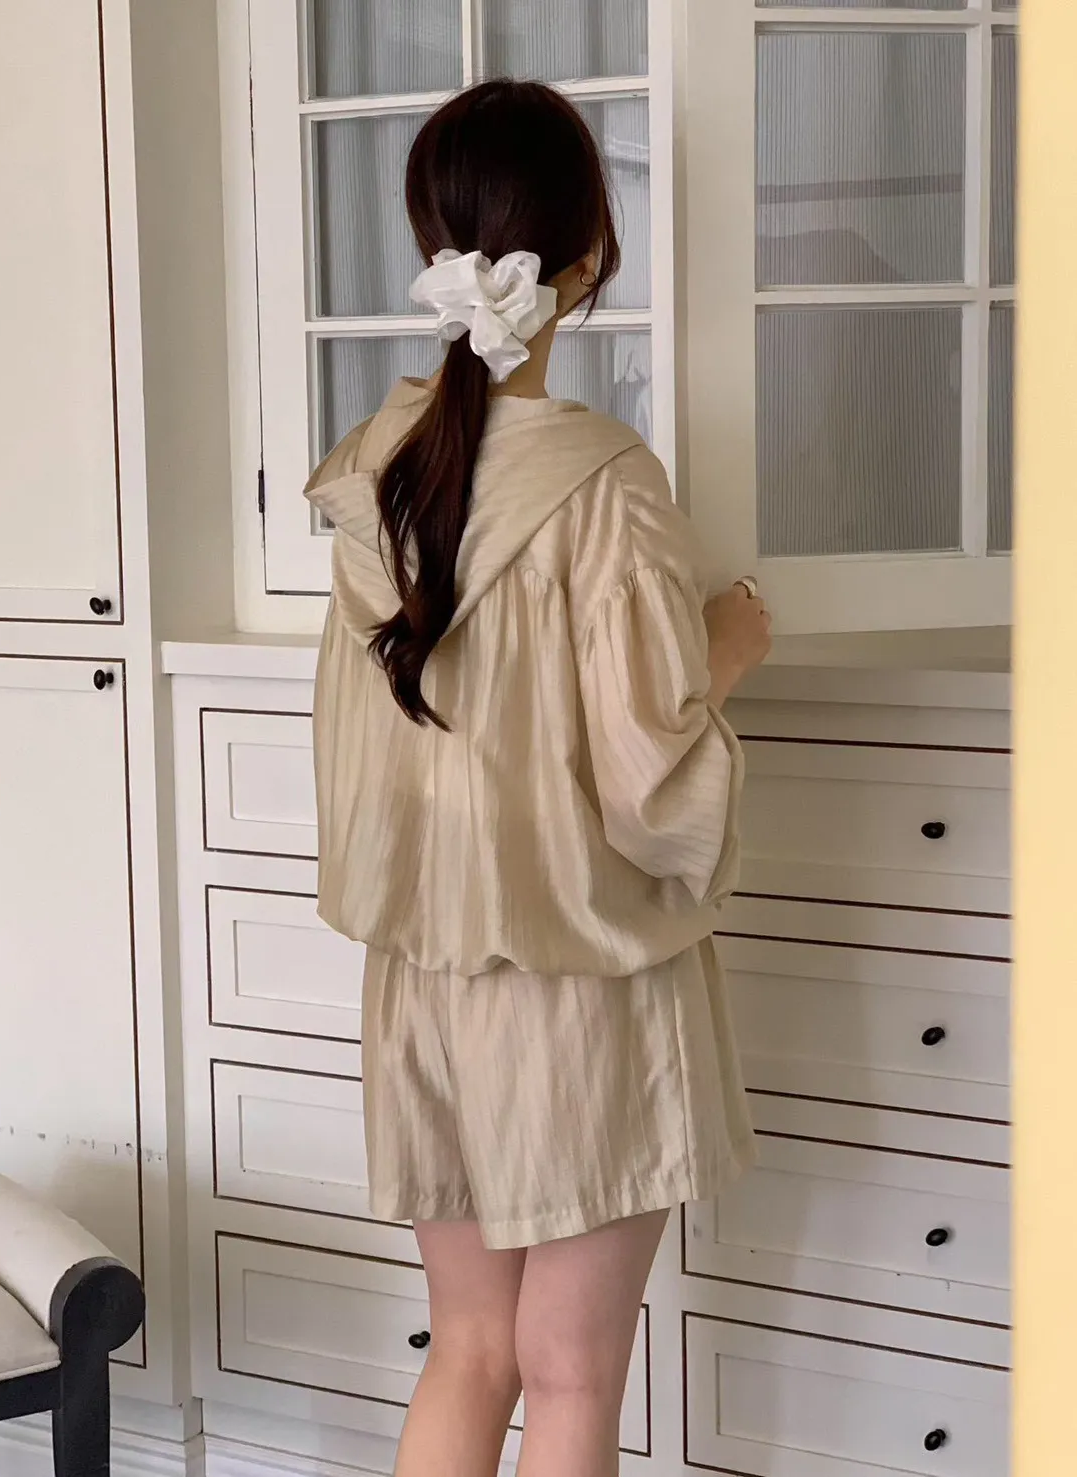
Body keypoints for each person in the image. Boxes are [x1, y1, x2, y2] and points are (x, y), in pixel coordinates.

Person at [307, 78, 772, 1477]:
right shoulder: (606, 480)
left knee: (468, 1351)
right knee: (572, 1379)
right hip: (579, 991)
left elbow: (365, 761)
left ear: (431, 247)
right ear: (592, 253)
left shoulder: (374, 472)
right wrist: (727, 647)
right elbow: (646, 777)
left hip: (426, 986)